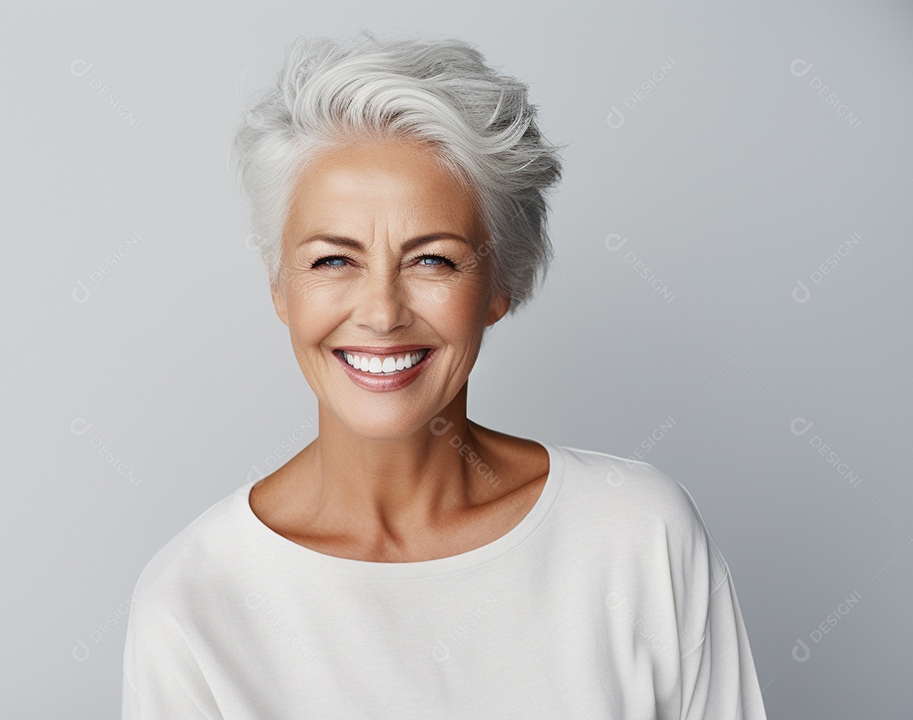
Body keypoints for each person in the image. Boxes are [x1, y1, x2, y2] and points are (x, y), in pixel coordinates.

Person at [120, 29, 768, 719]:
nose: (381, 313)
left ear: (499, 284)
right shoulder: (193, 604)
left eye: (432, 260)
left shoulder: (640, 540)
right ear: (280, 288)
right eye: (333, 260)